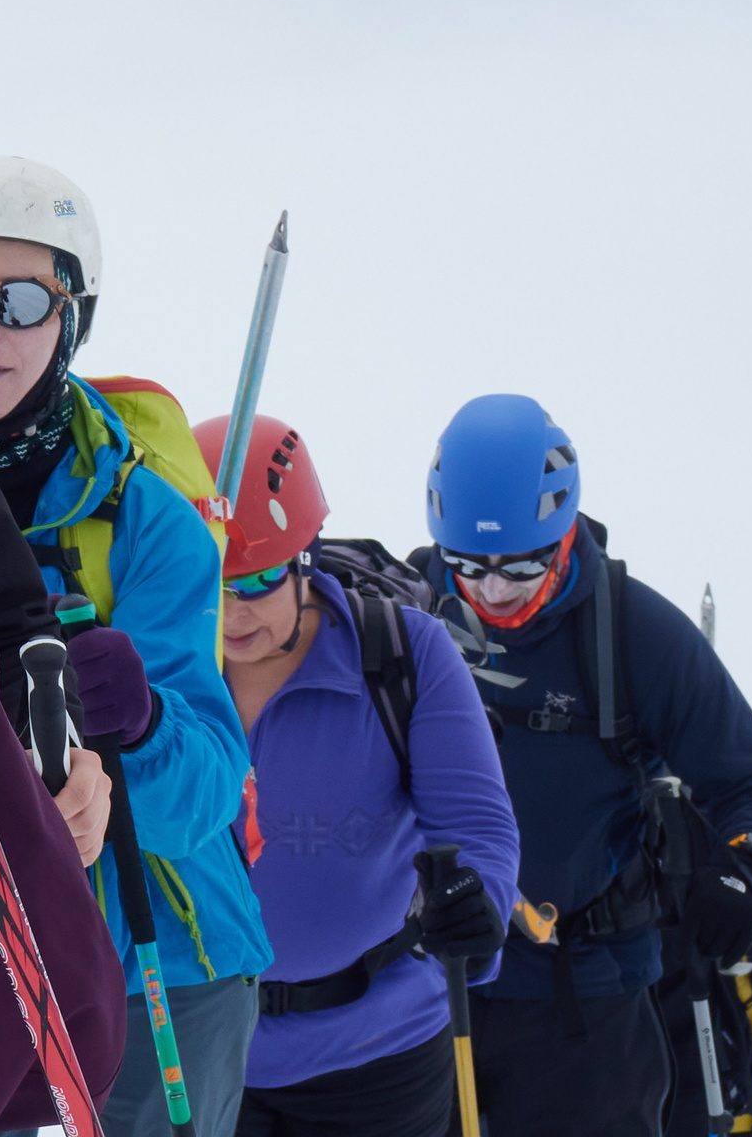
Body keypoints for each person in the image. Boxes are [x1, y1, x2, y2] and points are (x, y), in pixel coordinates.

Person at [0, 156, 270, 1137]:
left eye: (18, 300)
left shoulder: (147, 520)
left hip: (160, 963)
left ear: (73, 318)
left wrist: (141, 727)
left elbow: (208, 782)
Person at [415, 394, 752, 1137]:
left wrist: (745, 864)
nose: (495, 591)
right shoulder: (405, 615)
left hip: (582, 997)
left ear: (564, 532)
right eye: (469, 564)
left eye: (522, 566)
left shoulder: (637, 634)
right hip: (430, 987)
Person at [192, 414, 518, 1137]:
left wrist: (477, 899)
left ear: (306, 557)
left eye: (258, 580)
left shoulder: (401, 656)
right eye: (207, 582)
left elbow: (477, 826)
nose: (228, 612)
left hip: (380, 1056)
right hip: (202, 1054)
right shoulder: (161, 671)